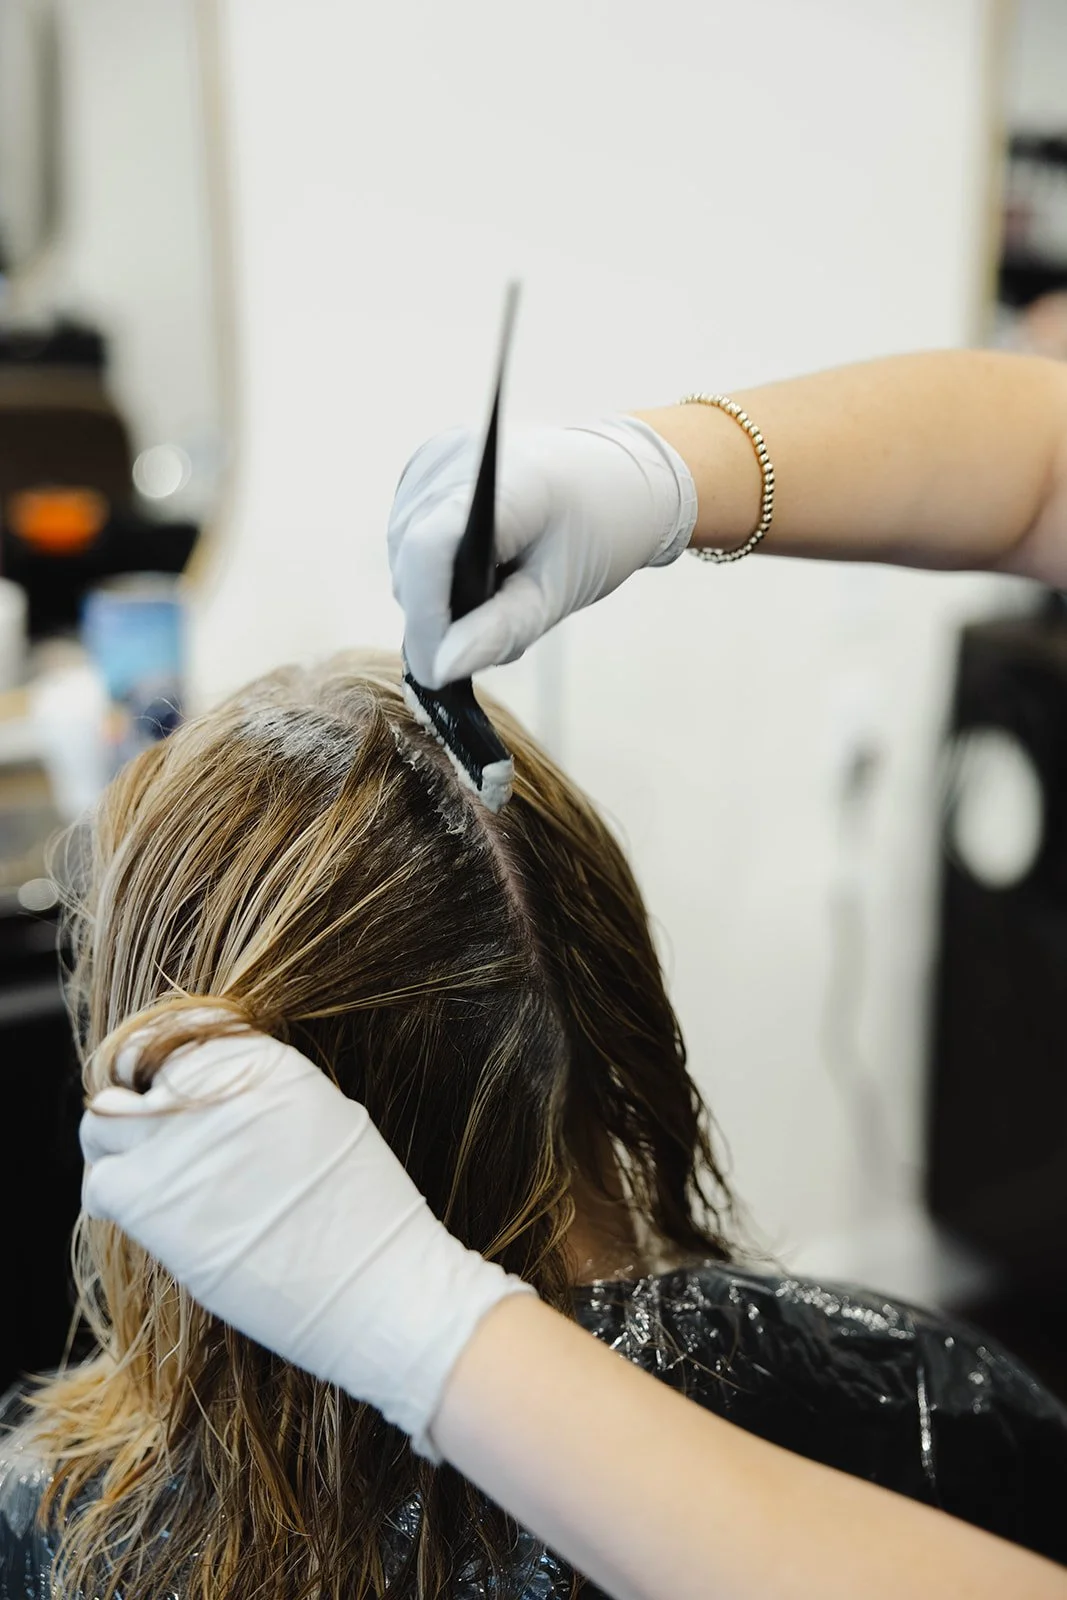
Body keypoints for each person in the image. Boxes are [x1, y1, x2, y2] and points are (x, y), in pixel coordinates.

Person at [7, 345, 1067, 1600]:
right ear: (609, 1003)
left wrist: (430, 1331)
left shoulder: (63, 1524)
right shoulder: (913, 1408)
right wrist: (673, 470)